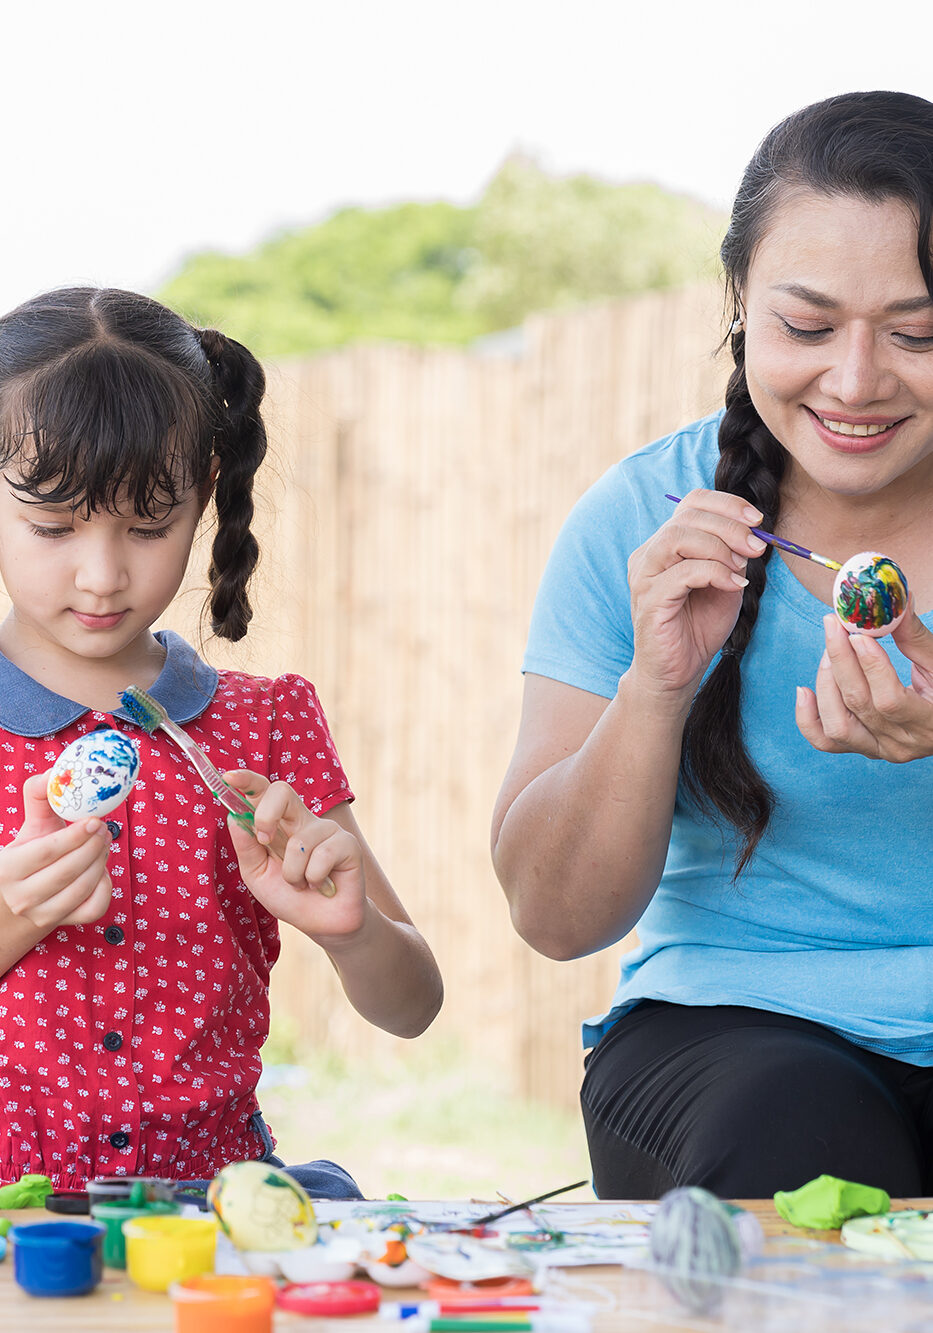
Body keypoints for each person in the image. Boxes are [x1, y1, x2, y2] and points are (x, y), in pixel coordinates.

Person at [492, 90, 933, 1199]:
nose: (857, 381)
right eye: (807, 324)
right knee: (795, 1137)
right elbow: (553, 917)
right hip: (731, 1033)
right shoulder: (642, 519)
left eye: (919, 333)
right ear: (740, 302)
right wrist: (657, 686)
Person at [0, 287, 443, 1195]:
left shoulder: (265, 722)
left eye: (148, 525)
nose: (101, 574)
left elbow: (413, 1007)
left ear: (206, 489)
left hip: (214, 1219)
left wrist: (350, 930)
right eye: (53, 527)